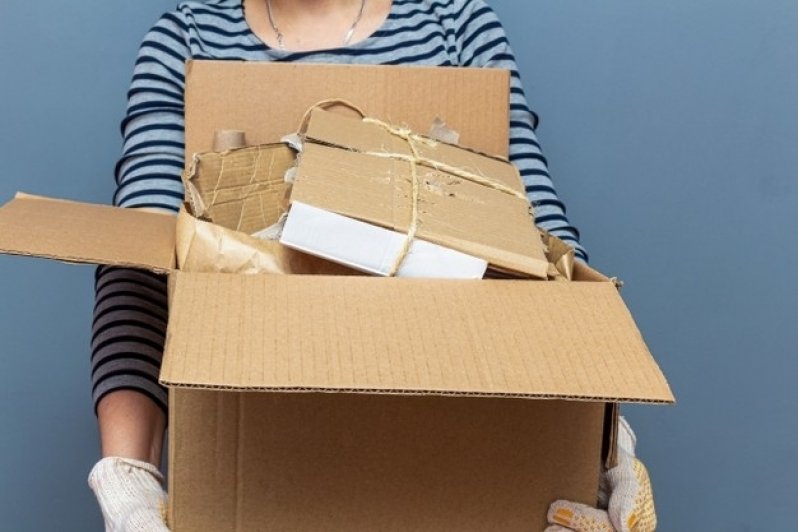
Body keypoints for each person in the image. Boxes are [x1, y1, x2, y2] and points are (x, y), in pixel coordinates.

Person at [86, 1, 655, 530]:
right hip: (259, 457)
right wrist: (127, 475)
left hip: (457, 449)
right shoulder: (187, 37)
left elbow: (541, 241)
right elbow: (141, 257)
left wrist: (600, 440)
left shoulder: (454, 24)